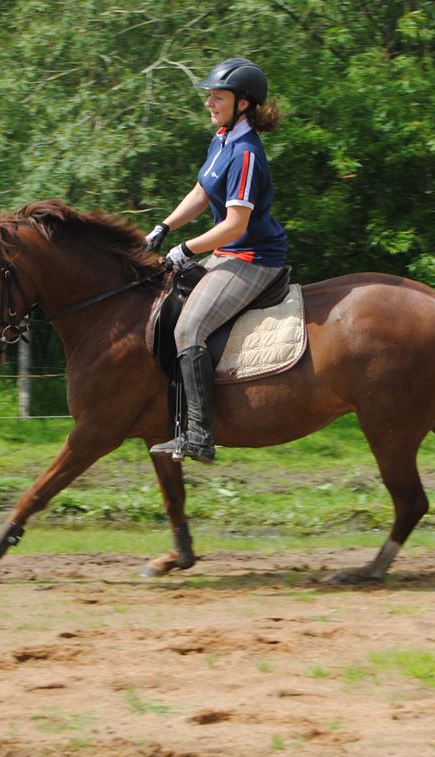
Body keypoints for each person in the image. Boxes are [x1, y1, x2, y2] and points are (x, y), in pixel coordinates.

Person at [144, 57, 288, 464]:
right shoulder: (222, 140)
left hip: (252, 258)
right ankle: (172, 417)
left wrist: (185, 249)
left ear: (243, 103)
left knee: (190, 328)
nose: (209, 102)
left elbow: (235, 226)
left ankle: (199, 436)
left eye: (217, 96)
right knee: (165, 305)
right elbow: (201, 192)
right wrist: (163, 226)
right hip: (229, 252)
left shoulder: (245, 154)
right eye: (209, 95)